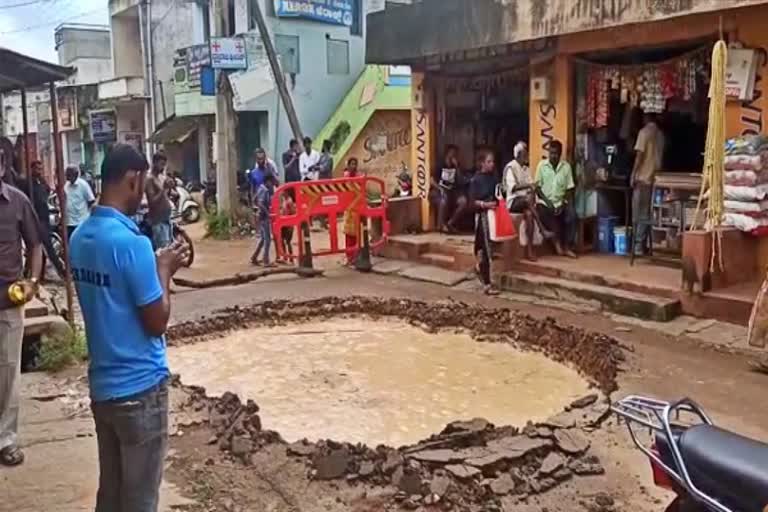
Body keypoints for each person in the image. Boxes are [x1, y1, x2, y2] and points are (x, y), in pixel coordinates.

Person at [70, 144, 189, 512]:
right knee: (139, 500)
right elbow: (156, 323)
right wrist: (164, 271)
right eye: (144, 185)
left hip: (104, 390)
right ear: (134, 180)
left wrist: (154, 230)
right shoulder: (132, 246)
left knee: (111, 495)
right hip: (140, 389)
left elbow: (114, 296)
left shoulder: (80, 239)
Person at [0, 163, 42, 467]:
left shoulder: (18, 201)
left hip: (8, 303)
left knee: (8, 372)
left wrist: (32, 282)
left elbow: (36, 244)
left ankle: (6, 440)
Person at [21, 161, 66, 278]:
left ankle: (37, 273)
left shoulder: (42, 182)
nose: (39, 171)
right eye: (37, 169)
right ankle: (62, 272)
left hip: (44, 217)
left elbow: (47, 192)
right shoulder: (27, 183)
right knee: (45, 245)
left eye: (41, 169)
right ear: (31, 169)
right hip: (35, 219)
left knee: (39, 247)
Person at [535, 140, 577, 258]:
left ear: (560, 154)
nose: (553, 156)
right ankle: (557, 244)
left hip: (560, 201)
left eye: (556, 153)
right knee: (544, 212)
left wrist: (563, 203)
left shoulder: (566, 167)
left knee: (572, 215)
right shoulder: (541, 166)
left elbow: (569, 189)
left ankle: (568, 247)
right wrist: (548, 203)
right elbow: (537, 188)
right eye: (551, 153)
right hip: (545, 202)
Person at [503, 143, 544, 261]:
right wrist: (529, 186)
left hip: (525, 202)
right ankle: (542, 227)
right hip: (513, 202)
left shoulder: (526, 169)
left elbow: (531, 185)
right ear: (519, 154)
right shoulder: (511, 167)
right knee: (527, 200)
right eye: (525, 153)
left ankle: (530, 249)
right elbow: (513, 187)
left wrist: (533, 188)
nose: (527, 156)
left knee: (529, 214)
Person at [631, 113, 665, 254]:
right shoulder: (661, 135)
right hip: (655, 179)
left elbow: (639, 156)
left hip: (643, 178)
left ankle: (638, 246)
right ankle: (644, 245)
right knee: (649, 213)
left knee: (639, 214)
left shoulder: (644, 133)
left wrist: (633, 174)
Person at [469, 149, 500, 295]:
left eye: (492, 161)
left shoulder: (493, 178)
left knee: (489, 248)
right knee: (485, 249)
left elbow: (497, 195)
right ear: (482, 163)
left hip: (493, 216)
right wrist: (484, 205)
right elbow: (471, 202)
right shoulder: (476, 180)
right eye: (489, 161)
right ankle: (487, 284)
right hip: (482, 217)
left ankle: (483, 274)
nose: (492, 164)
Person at [432, 145, 470, 233]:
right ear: (447, 154)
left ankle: (450, 223)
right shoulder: (440, 164)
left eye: (455, 154)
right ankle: (441, 225)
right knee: (443, 200)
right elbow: (432, 180)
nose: (454, 155)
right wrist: (440, 189)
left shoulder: (456, 165)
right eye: (452, 153)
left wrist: (457, 167)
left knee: (463, 201)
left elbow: (461, 179)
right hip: (438, 191)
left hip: (451, 191)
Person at [145, 152, 173, 250]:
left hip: (165, 219)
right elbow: (152, 201)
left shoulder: (159, 178)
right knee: (163, 251)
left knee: (169, 248)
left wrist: (168, 188)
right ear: (154, 163)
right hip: (158, 221)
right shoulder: (149, 179)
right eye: (161, 164)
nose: (163, 168)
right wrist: (163, 189)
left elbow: (164, 197)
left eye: (164, 165)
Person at [251, 173, 276, 267]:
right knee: (267, 239)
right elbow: (261, 203)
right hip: (263, 217)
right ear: (268, 181)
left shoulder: (260, 188)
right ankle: (266, 260)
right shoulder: (264, 190)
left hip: (260, 216)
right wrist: (267, 213)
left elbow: (255, 200)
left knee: (262, 238)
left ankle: (254, 257)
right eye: (271, 182)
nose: (272, 184)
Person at [64, 164, 96, 240]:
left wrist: (86, 213)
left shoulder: (83, 185)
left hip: (81, 221)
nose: (67, 177)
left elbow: (91, 200)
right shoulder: (66, 185)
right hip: (69, 222)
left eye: (69, 174)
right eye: (66, 174)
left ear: (75, 174)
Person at [343, 158, 360, 265]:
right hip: (348, 208)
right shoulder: (345, 177)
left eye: (355, 164)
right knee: (348, 233)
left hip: (357, 208)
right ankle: (349, 256)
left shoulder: (359, 177)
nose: (354, 166)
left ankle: (356, 255)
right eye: (352, 164)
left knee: (357, 233)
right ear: (348, 165)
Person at [278, 190, 296, 263]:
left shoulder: (289, 201)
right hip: (284, 223)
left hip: (288, 224)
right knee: (283, 240)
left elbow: (292, 212)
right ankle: (286, 256)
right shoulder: (284, 200)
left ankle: (290, 257)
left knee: (288, 242)